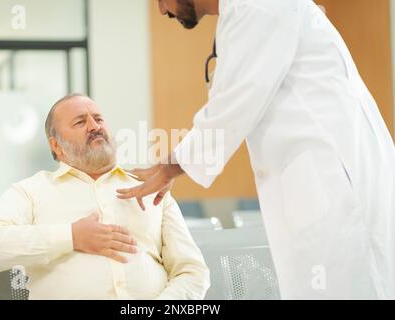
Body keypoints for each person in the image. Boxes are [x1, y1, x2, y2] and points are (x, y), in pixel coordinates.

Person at [116, 0, 395, 299]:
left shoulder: (258, 6)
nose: (161, 10)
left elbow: (235, 103)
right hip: (321, 184)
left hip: (337, 185)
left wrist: (170, 168)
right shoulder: (246, 12)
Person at [0, 94, 210, 300]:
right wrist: (71, 236)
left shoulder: (153, 188)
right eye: (79, 121)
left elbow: (192, 272)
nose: (94, 126)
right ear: (56, 145)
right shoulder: (31, 191)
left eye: (98, 118)